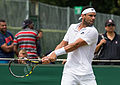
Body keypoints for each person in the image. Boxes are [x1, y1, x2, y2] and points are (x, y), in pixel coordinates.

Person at [42, 6, 98, 85]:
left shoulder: (93, 31)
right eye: (90, 15)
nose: (93, 18)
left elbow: (75, 45)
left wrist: (55, 54)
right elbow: (63, 44)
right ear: (83, 16)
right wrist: (49, 56)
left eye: (94, 16)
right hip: (69, 72)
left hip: (86, 74)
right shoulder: (72, 27)